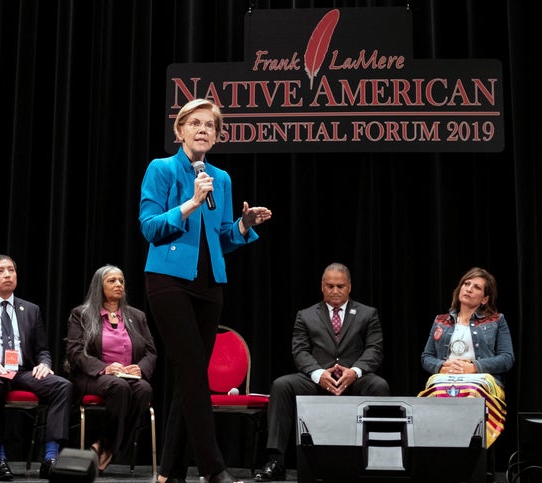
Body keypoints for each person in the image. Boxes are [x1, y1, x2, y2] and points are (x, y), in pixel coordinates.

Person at [139, 98, 272, 483]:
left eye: (209, 126)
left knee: (189, 376)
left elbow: (221, 239)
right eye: (194, 123)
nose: (202, 130)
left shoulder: (222, 179)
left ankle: (169, 472)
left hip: (210, 284)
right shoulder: (161, 169)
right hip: (167, 281)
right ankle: (214, 469)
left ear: (216, 136)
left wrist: (243, 225)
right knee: (195, 373)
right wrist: (189, 204)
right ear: (180, 131)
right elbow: (149, 226)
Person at [254, 262, 390, 482]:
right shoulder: (306, 315)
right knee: (282, 385)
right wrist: (318, 374)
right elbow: (300, 351)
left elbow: (375, 349)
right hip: (317, 380)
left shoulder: (367, 314)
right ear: (321, 287)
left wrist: (354, 372)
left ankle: (379, 456)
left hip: (352, 380)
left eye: (340, 286)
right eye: (330, 286)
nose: (335, 291)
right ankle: (275, 460)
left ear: (349, 287)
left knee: (379, 386)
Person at [0, 254, 72, 480]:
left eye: (11, 270)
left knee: (62, 386)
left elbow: (41, 350)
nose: (7, 274)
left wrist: (45, 364)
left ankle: (51, 458)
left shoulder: (31, 309)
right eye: (0, 271)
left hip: (22, 372)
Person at [65, 264, 157, 472]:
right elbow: (75, 352)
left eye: (121, 281)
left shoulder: (137, 316)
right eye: (112, 281)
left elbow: (151, 352)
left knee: (145, 389)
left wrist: (140, 369)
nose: (118, 285)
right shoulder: (82, 314)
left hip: (129, 376)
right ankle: (111, 447)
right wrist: (104, 368)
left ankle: (104, 445)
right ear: (99, 286)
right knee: (119, 387)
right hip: (94, 376)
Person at [419, 267, 514, 448]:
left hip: (481, 381)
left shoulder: (496, 320)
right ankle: (436, 450)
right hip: (445, 379)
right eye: (466, 283)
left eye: (477, 287)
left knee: (471, 393)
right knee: (435, 392)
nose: (469, 289)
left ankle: (468, 452)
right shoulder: (440, 320)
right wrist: (441, 366)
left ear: (485, 299)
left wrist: (475, 367)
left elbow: (507, 358)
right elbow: (426, 357)